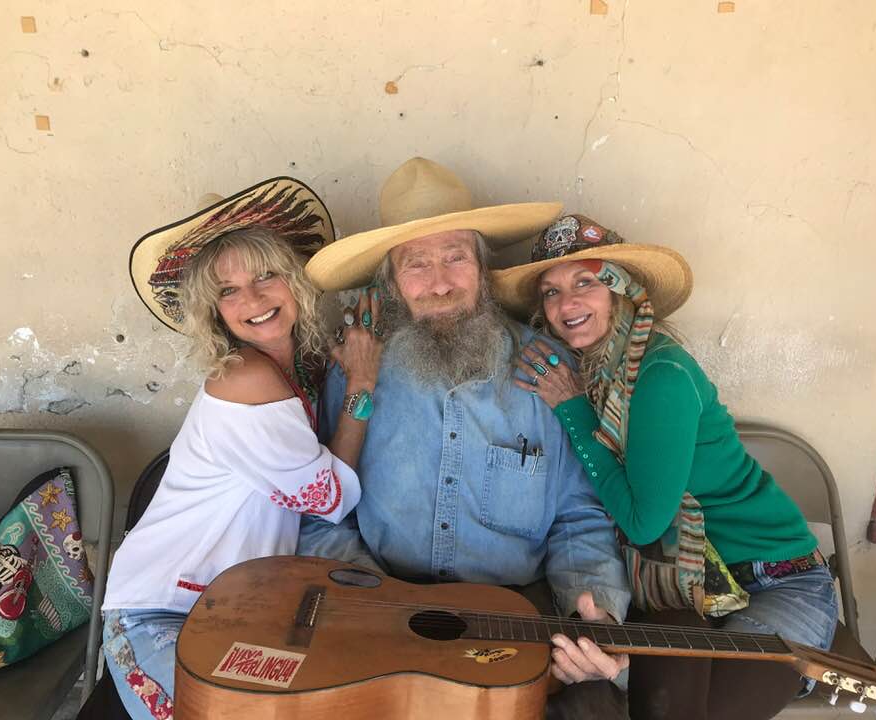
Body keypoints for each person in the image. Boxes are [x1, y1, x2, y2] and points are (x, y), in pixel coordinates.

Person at [299, 158, 632, 720]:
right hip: (382, 606)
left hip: (516, 617)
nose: (439, 283)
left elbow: (579, 515)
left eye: (455, 257)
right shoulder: (357, 371)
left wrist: (590, 614)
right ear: (392, 283)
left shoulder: (546, 371)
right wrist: (370, 602)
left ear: (482, 268)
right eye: (416, 265)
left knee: (595, 706)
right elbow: (322, 511)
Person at [492, 214, 839, 720]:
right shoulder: (598, 374)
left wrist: (572, 411)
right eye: (550, 291)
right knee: (660, 692)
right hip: (682, 588)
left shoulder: (661, 375)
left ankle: (618, 673)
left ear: (621, 292)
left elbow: (641, 522)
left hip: (778, 583)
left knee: (702, 704)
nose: (566, 304)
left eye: (586, 281)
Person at [103, 178, 383, 720]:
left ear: (293, 280)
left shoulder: (297, 367)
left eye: (265, 276)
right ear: (213, 311)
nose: (251, 300)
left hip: (238, 611)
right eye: (227, 291)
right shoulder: (246, 378)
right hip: (160, 612)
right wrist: (362, 386)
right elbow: (329, 500)